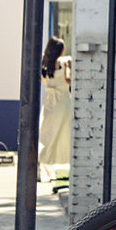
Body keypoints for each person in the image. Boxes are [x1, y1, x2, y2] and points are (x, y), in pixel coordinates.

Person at [38, 36, 71, 183]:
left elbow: (43, 80)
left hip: (50, 102)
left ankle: (43, 162)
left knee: (47, 132)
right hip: (63, 102)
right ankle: (51, 162)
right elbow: (68, 80)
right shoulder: (64, 63)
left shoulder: (45, 64)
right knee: (63, 133)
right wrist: (68, 66)